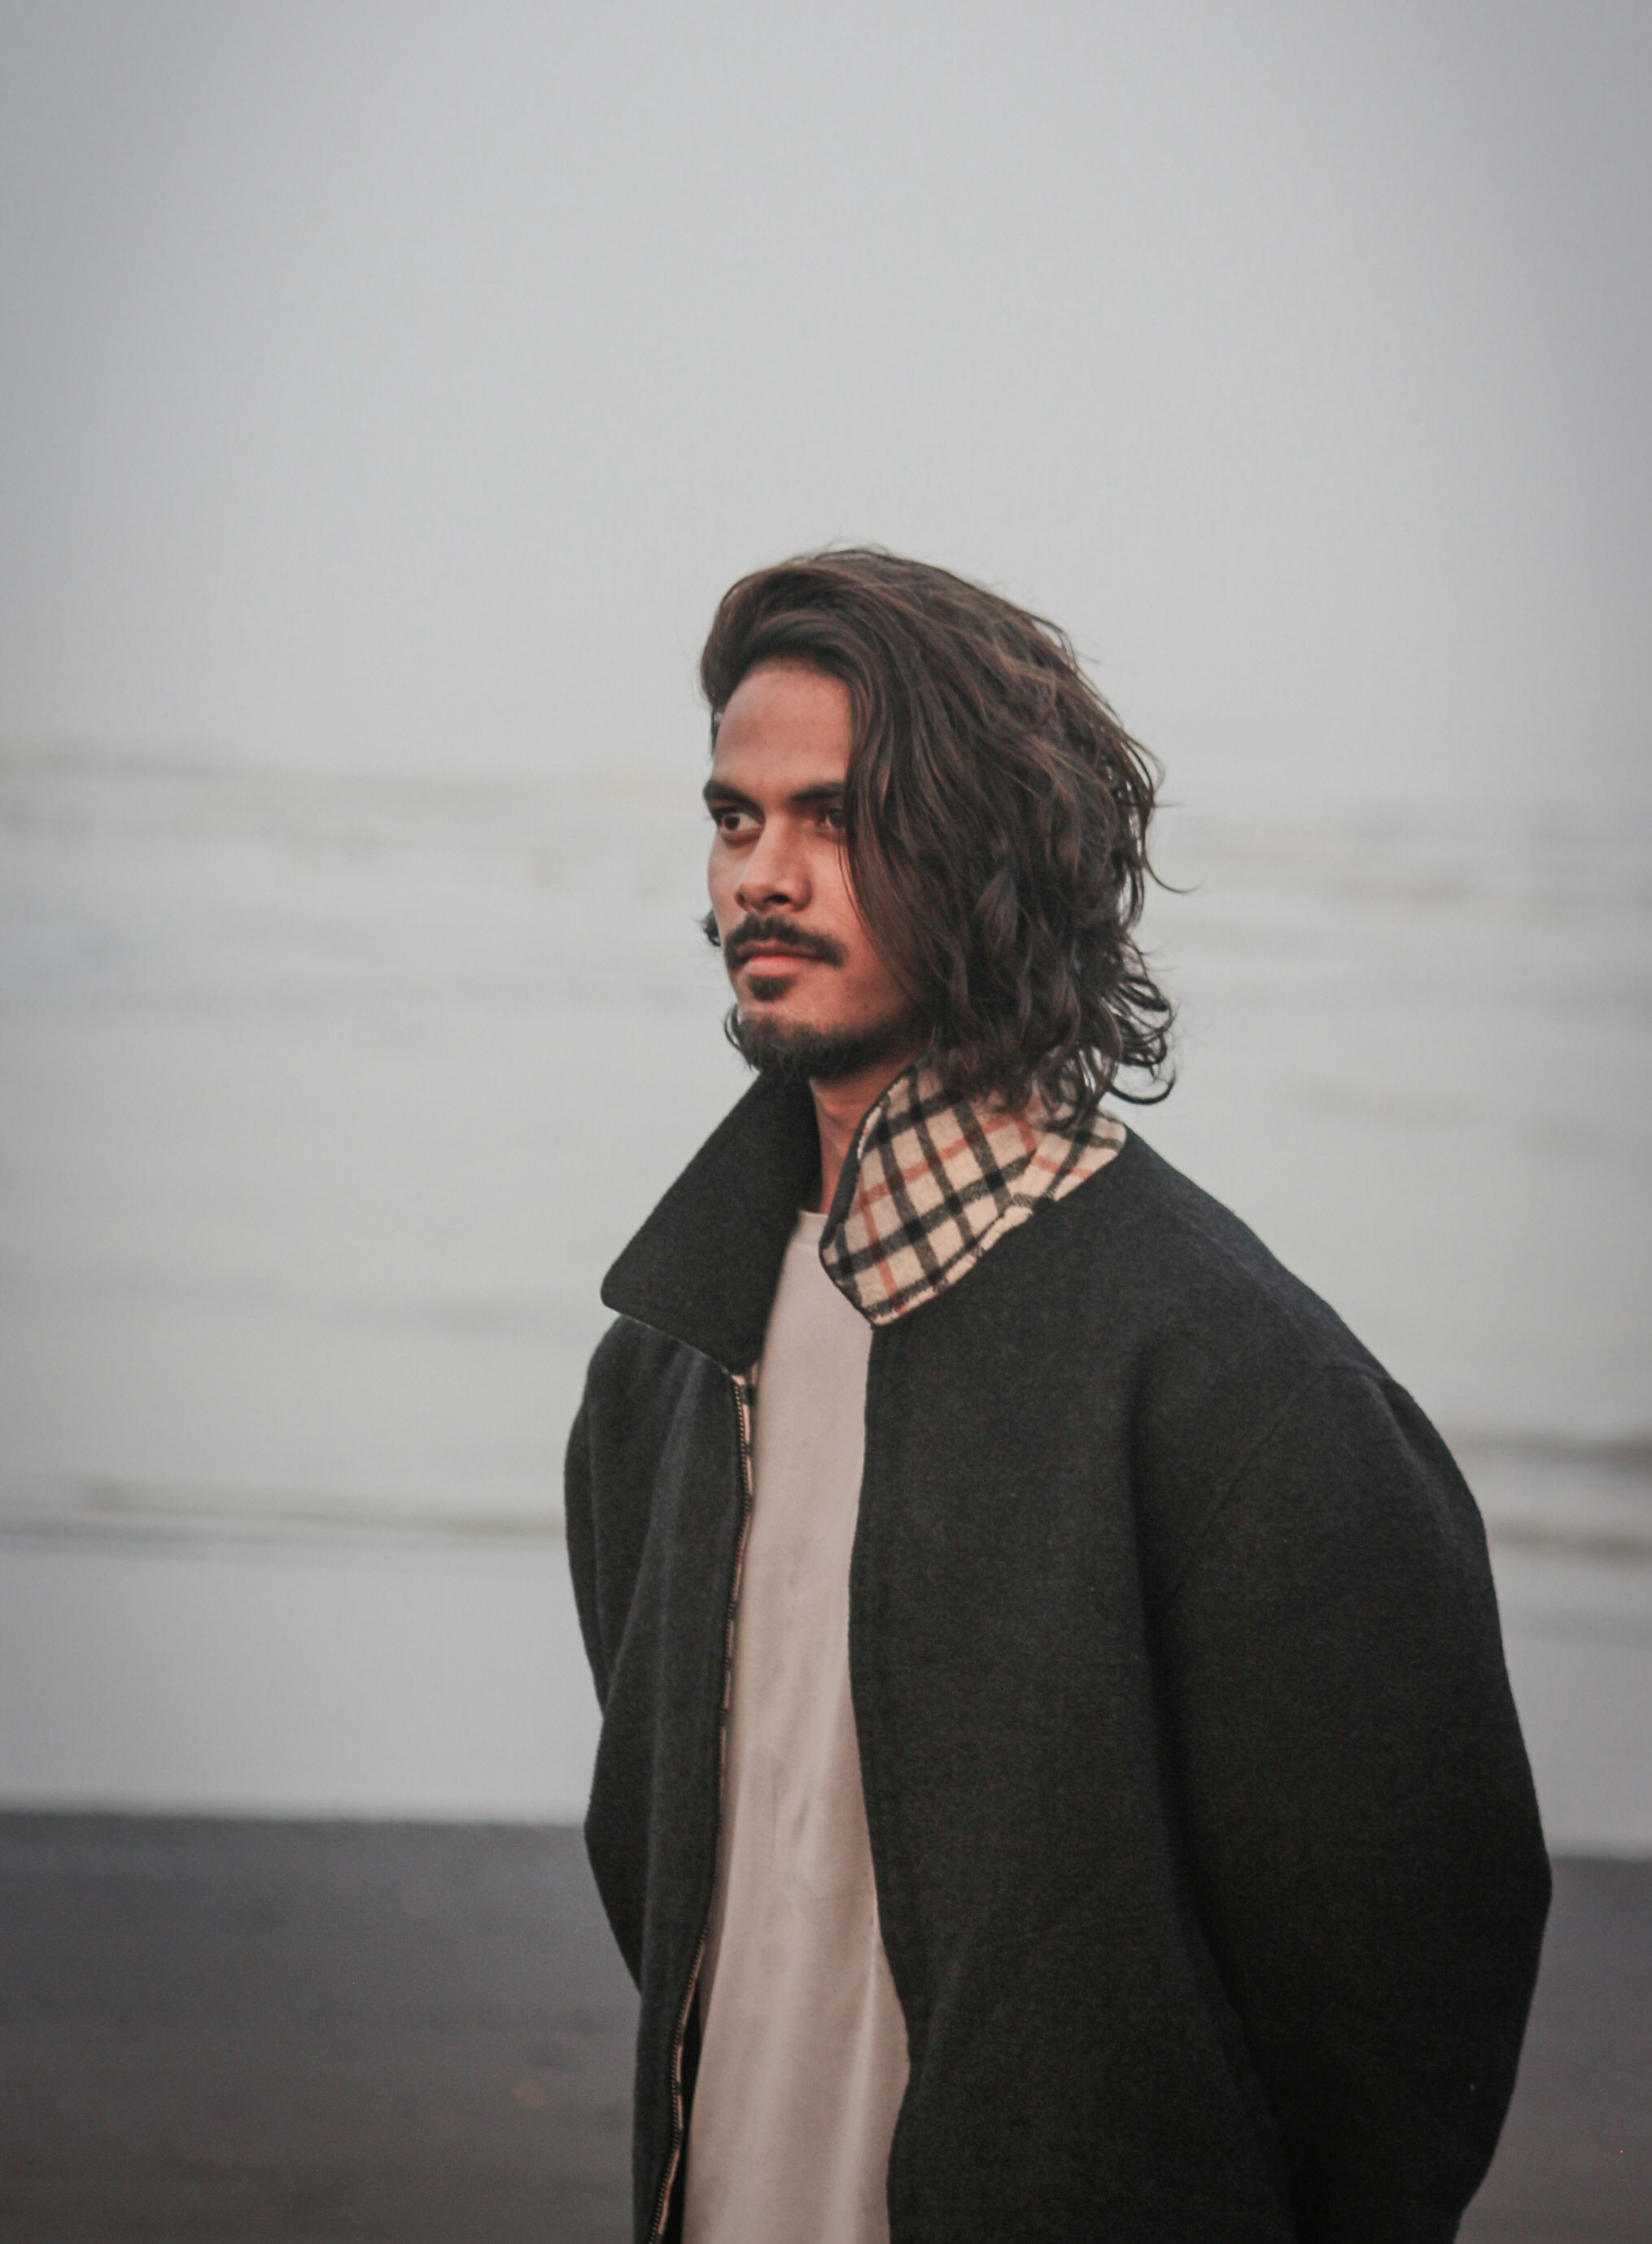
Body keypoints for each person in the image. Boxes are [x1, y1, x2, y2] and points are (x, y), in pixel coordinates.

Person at [565, 548, 1549, 2244]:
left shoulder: (1241, 1387)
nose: (765, 879)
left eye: (840, 818)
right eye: (737, 819)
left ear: (988, 848)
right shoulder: (666, 1357)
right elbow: (659, 1856)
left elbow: (1404, 1991)